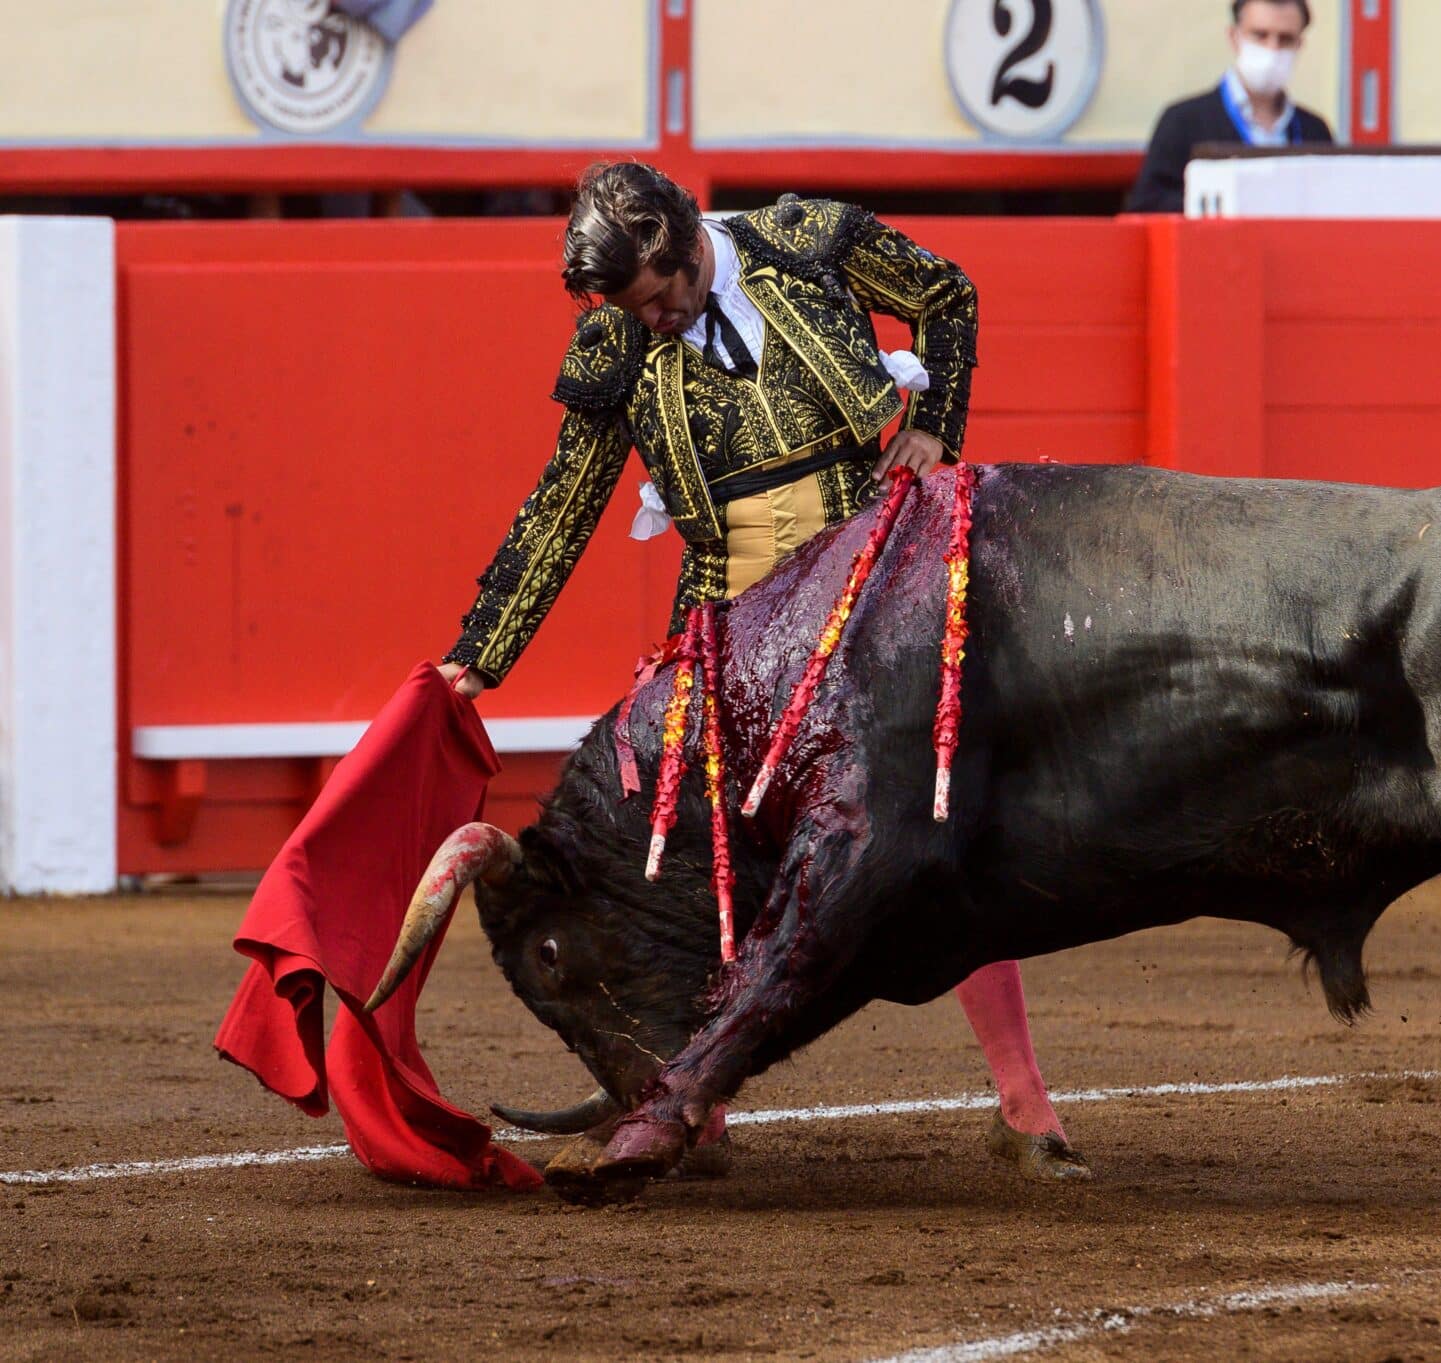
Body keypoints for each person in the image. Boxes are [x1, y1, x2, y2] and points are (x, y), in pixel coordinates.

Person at [436, 162, 1088, 1180]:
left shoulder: (805, 242)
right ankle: (699, 1106)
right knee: (707, 864)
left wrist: (933, 429)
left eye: (656, 297)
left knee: (931, 834)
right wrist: (480, 654)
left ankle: (1022, 1102)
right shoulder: (615, 339)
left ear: (683, 245)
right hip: (725, 618)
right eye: (633, 309)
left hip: (863, 590)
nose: (649, 321)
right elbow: (563, 503)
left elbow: (944, 293)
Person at [1125, 0, 1334, 213]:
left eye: (1285, 39)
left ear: (1299, 45)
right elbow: (1147, 205)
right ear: (1234, 37)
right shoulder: (1183, 122)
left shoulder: (1314, 131)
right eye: (1260, 35)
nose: (1273, 49)